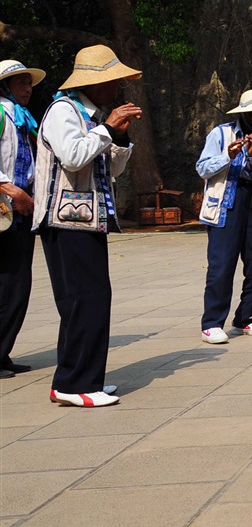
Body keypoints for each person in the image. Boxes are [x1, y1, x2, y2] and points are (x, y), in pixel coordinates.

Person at [32, 45, 142, 407]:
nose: (118, 89)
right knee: (84, 300)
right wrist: (108, 128)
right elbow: (73, 155)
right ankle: (74, 384)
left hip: (84, 220)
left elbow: (110, 169)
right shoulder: (63, 111)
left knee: (89, 299)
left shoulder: (89, 116)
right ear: (96, 84)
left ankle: (81, 378)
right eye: (113, 82)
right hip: (66, 223)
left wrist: (119, 137)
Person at [196, 89, 252, 344]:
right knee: (222, 266)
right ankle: (211, 323)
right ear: (248, 114)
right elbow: (203, 168)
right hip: (225, 204)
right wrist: (228, 156)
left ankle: (244, 318)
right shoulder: (221, 134)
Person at [0, 60, 46, 379]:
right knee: (7, 282)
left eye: (29, 83)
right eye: (20, 83)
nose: (28, 88)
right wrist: (10, 188)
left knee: (18, 282)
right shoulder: (2, 114)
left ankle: (3, 351)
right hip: (6, 206)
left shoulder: (23, 118)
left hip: (22, 210)